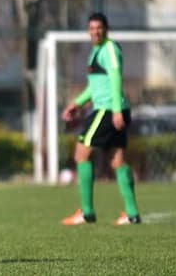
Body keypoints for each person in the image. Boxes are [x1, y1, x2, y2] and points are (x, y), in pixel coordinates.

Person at [60, 12, 141, 226]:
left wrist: (115, 111)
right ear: (88, 30)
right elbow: (95, 87)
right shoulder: (95, 52)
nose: (96, 31)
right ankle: (132, 214)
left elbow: (115, 79)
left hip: (107, 111)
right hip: (110, 109)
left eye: (99, 27)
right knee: (117, 160)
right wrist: (76, 104)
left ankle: (86, 212)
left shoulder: (110, 49)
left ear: (106, 29)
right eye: (92, 28)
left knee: (81, 153)